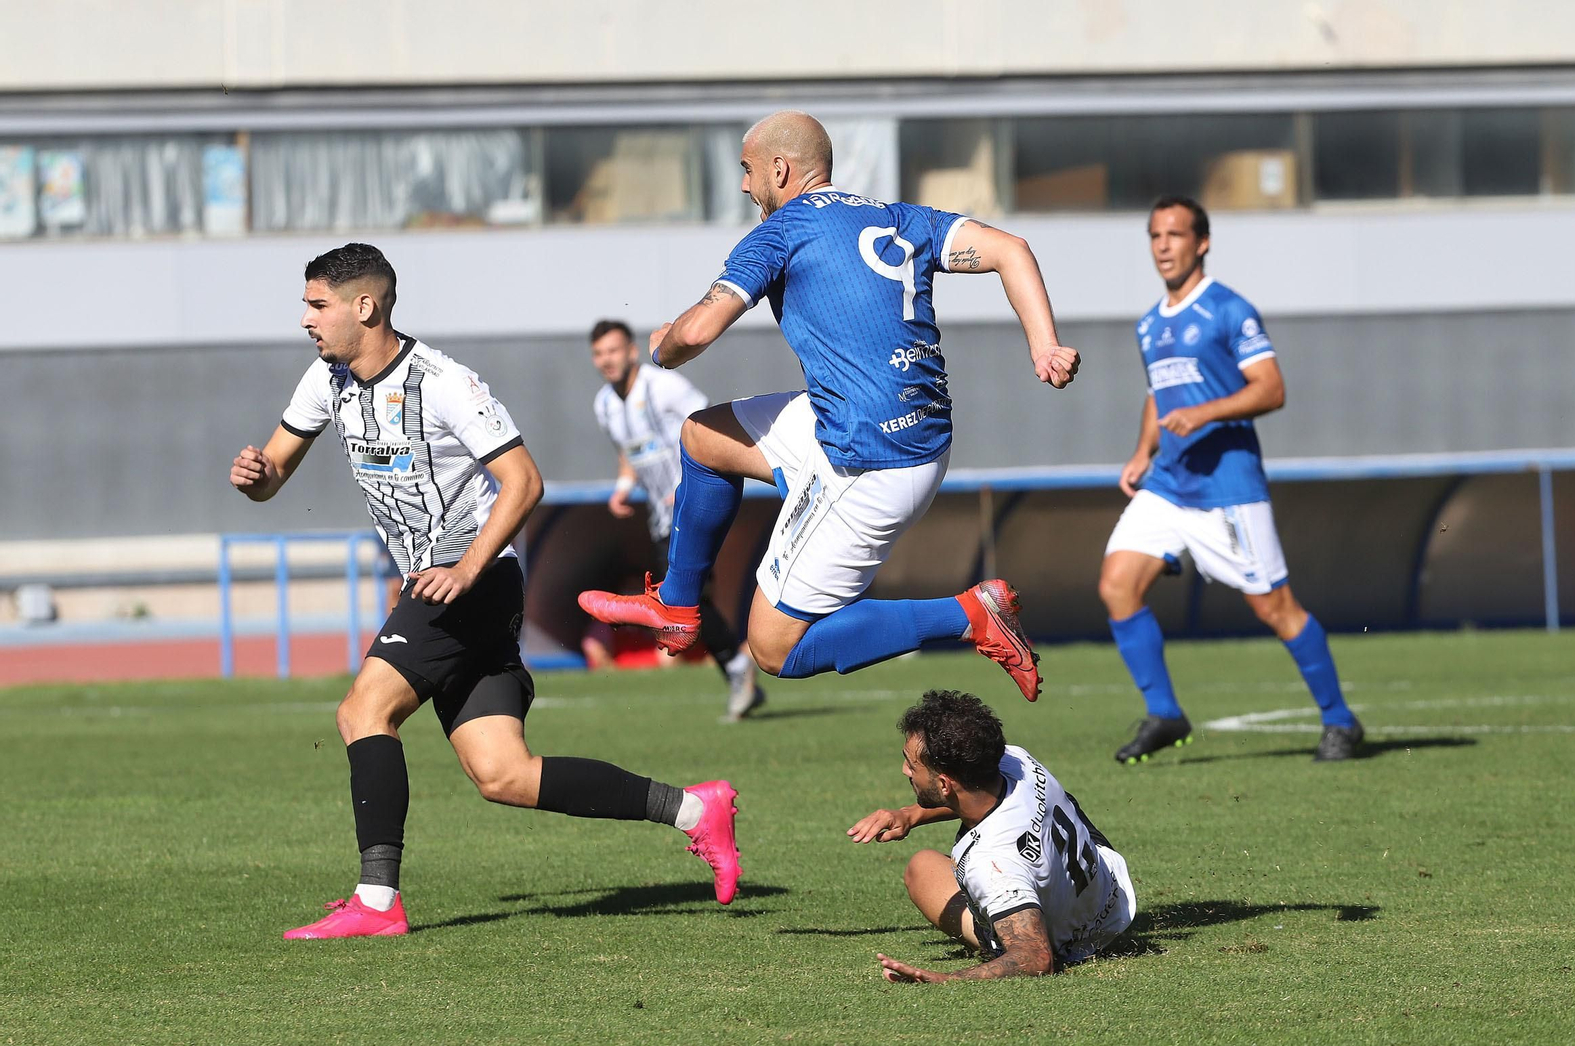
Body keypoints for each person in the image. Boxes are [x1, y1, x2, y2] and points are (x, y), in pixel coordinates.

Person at [229, 243, 741, 939]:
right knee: (504, 774)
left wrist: (466, 569)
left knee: (362, 711)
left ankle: (376, 902)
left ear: (364, 306)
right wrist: (257, 475)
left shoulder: (445, 383)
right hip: (447, 585)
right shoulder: (327, 380)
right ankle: (694, 810)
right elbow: (274, 474)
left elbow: (524, 481)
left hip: (470, 581)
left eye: (317, 305)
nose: (305, 319)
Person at [579, 111, 1081, 702]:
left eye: (747, 170)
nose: (743, 185)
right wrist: (1044, 345)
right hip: (890, 429)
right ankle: (678, 603)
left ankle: (969, 613)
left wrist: (664, 346)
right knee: (701, 437)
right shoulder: (896, 217)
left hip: (868, 463)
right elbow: (1010, 249)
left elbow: (697, 333)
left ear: (779, 169)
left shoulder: (780, 231)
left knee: (774, 649)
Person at [1101, 196, 1364, 764]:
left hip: (1227, 485)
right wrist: (1142, 452)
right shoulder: (1149, 324)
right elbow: (1158, 394)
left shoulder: (1228, 309)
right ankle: (1165, 713)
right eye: (1155, 235)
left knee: (1276, 608)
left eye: (1175, 234)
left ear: (1202, 243)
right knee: (1117, 584)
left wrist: (1205, 413)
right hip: (1169, 483)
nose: (1163, 246)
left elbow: (1271, 388)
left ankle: (1341, 721)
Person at [848, 690, 1135, 982]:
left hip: (1070, 942)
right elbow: (969, 794)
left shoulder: (990, 863)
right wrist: (910, 815)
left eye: (911, 764)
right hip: (1110, 893)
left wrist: (945, 979)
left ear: (945, 785)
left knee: (921, 868)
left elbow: (1036, 958)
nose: (905, 771)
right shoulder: (1016, 760)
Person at [589, 318, 765, 720]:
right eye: (599, 353)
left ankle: (738, 666)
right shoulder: (604, 404)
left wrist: (690, 480)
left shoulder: (664, 386)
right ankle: (737, 667)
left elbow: (708, 424)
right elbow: (629, 451)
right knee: (683, 599)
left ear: (631, 351)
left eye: (613, 350)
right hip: (660, 517)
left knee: (683, 598)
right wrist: (623, 485)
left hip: (692, 506)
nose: (606, 360)